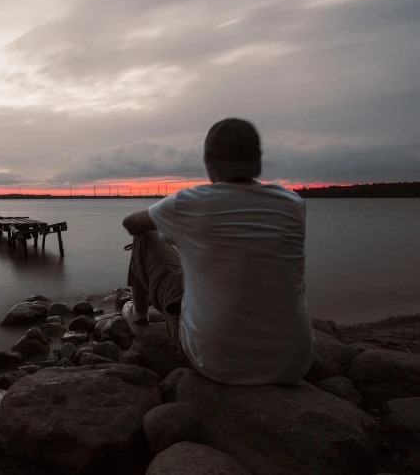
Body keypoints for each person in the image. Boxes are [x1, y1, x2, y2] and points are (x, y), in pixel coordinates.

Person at [121, 118, 314, 385]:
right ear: (257, 161)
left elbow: (131, 224)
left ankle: (139, 317)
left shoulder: (190, 203)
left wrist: (178, 232)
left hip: (215, 361)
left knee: (145, 236)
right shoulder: (293, 204)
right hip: (292, 363)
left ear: (208, 161)